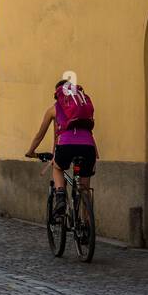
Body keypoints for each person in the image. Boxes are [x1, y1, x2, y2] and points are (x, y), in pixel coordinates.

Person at [25, 78, 97, 215]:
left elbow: (40, 135)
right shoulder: (83, 106)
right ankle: (86, 227)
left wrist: (30, 151)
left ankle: (60, 196)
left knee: (57, 168)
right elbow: (89, 129)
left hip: (66, 146)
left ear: (58, 94)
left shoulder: (53, 109)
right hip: (88, 147)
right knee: (85, 189)